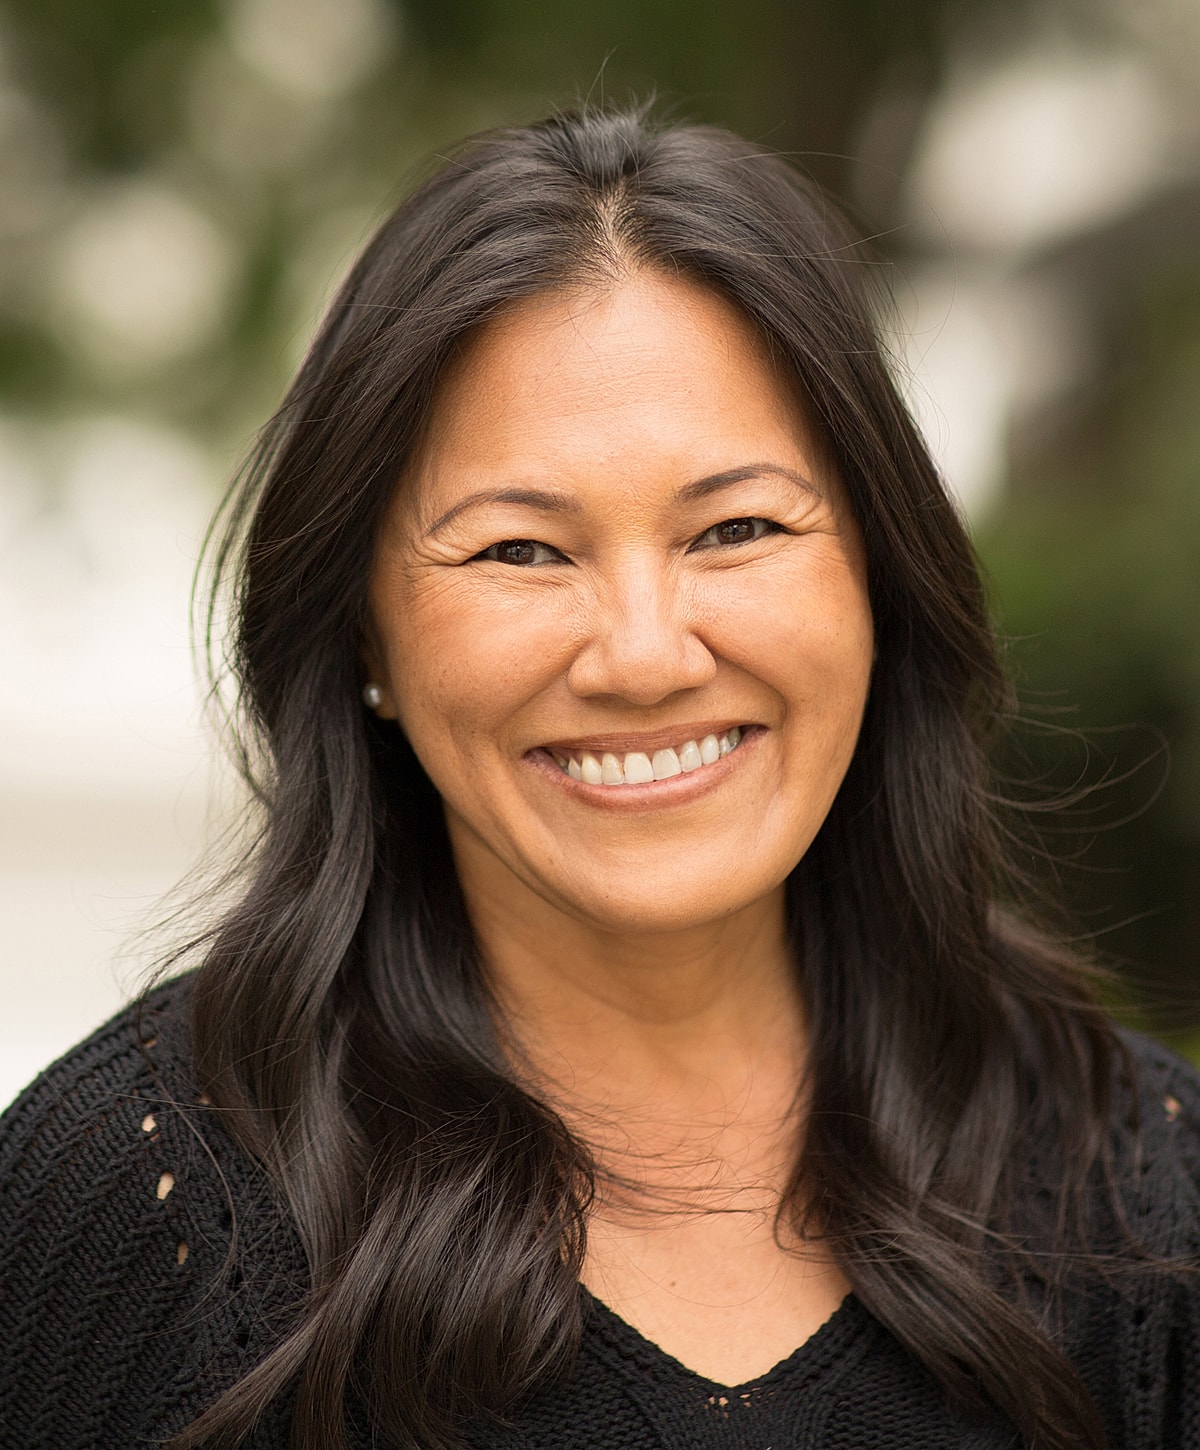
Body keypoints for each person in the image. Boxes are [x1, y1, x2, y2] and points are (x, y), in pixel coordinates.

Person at [1, 104, 1198, 1450]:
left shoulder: (1147, 1194)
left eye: (737, 528)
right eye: (522, 550)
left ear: (880, 580)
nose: (642, 655)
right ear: (362, 634)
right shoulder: (147, 1203)